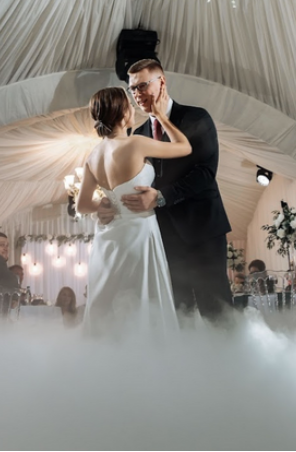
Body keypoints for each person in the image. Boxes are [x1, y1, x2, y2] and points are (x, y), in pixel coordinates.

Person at [97, 59, 233, 320]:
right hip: (162, 237)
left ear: (162, 82)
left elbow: (205, 172)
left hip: (202, 230)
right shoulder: (137, 133)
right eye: (132, 89)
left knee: (217, 310)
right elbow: (133, 184)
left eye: (142, 86)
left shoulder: (196, 117)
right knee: (177, 311)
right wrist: (109, 205)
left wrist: (161, 197)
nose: (137, 94)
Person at [76, 84, 190, 335]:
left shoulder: (93, 156)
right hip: (139, 233)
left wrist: (104, 205)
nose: (133, 109)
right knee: (141, 300)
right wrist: (160, 116)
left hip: (109, 240)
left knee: (110, 302)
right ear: (123, 113)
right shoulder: (136, 144)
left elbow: (81, 205)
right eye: (129, 105)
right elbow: (184, 147)